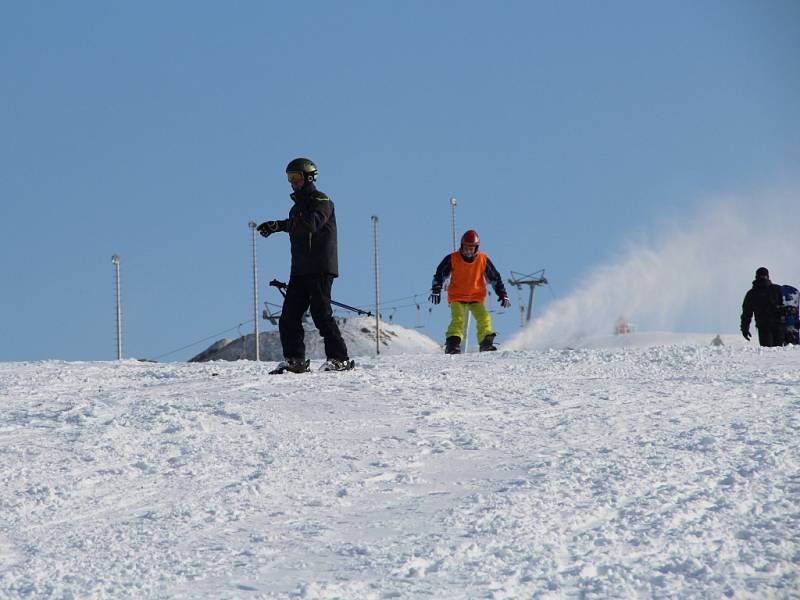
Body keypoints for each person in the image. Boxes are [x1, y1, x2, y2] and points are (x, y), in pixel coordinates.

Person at [257, 158, 353, 372]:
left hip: (320, 267)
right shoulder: (296, 209)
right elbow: (298, 225)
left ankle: (340, 359)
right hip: (300, 270)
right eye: (289, 178)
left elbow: (311, 224)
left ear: (309, 177)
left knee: (320, 313)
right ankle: (295, 361)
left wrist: (280, 225)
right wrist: (278, 226)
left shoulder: (322, 200)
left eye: (296, 177)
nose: (293, 182)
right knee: (288, 317)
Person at [429, 229, 511, 354]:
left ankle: (486, 343)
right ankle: (452, 345)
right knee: (458, 319)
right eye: (466, 248)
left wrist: (502, 293)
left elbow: (495, 277)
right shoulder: (453, 258)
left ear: (476, 248)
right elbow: (440, 274)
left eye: (471, 248)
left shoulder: (483, 259)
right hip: (457, 296)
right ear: (462, 246)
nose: (468, 251)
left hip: (476, 297)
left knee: (484, 318)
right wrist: (436, 289)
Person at [740, 267, 785, 347]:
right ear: (768, 276)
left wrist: (745, 328)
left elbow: (746, 314)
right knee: (778, 352)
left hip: (763, 327)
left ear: (756, 277)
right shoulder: (777, 289)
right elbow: (786, 306)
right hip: (779, 325)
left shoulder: (751, 293)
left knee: (768, 352)